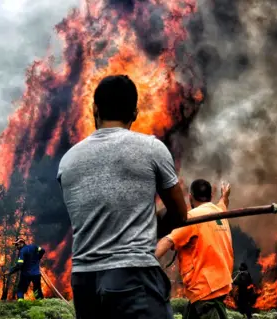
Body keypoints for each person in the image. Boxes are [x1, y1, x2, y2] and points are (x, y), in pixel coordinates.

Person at [57, 75, 188, 319]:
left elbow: (92, 218)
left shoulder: (68, 161)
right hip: (133, 275)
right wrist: (149, 223)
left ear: (94, 108)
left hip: (84, 281)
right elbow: (180, 214)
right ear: (135, 112)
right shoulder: (151, 149)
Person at [155, 179, 233, 319]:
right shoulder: (219, 212)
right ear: (210, 196)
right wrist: (225, 194)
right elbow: (223, 203)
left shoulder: (192, 218)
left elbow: (167, 241)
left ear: (190, 196)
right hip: (215, 287)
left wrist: (145, 263)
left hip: (206, 292)